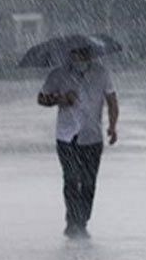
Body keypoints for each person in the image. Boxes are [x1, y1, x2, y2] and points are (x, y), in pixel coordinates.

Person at [37, 45, 119, 239]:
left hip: (92, 136)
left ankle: (82, 220)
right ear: (70, 54)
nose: (79, 58)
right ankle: (72, 221)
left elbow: (112, 100)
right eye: (75, 54)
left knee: (89, 181)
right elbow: (41, 98)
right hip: (66, 136)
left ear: (89, 55)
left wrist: (113, 126)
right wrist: (60, 98)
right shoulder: (58, 74)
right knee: (72, 178)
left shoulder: (102, 74)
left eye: (83, 54)